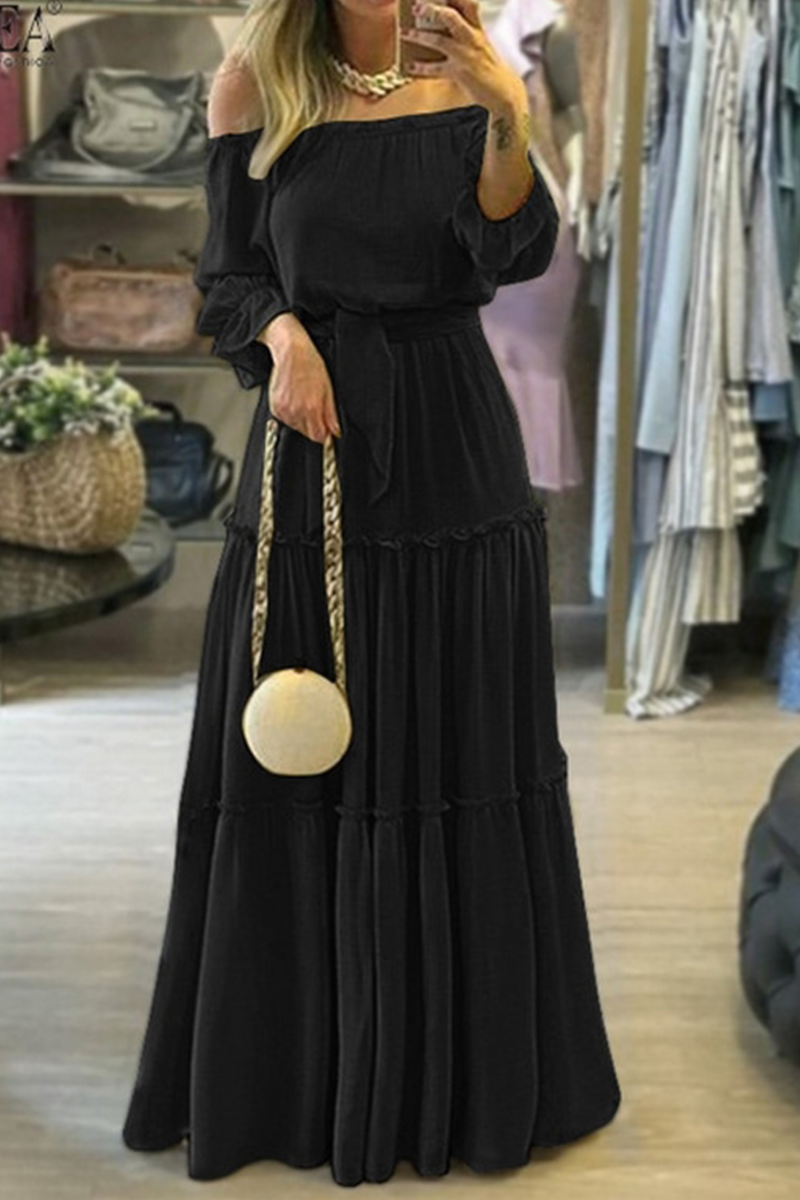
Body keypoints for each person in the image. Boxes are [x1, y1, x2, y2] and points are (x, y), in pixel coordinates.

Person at [121, 0, 621, 1187]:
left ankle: (460, 1082)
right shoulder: (253, 81)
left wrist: (504, 110)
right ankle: (291, 1078)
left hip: (453, 450)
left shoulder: (473, 75)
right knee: (293, 749)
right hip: (309, 449)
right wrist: (285, 338)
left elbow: (510, 250)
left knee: (459, 753)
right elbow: (228, 278)